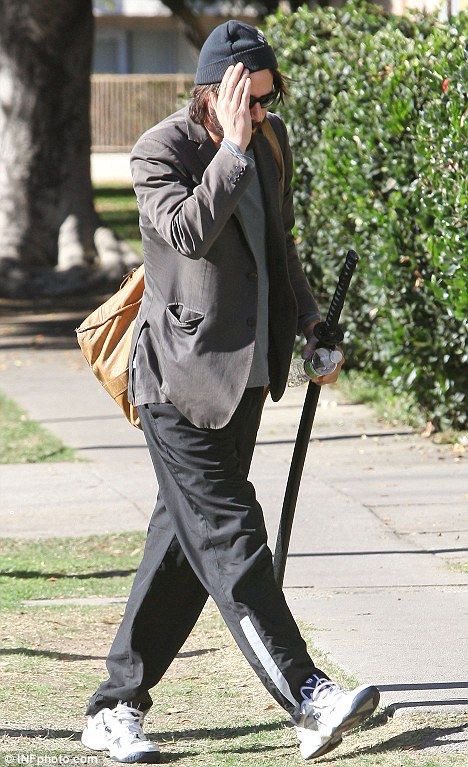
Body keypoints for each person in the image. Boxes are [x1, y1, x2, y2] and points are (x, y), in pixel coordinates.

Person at [81, 20, 379, 763]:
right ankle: (308, 693)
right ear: (215, 94)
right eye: (253, 100)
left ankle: (115, 706)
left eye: (270, 101)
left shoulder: (271, 143)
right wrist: (233, 151)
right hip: (177, 382)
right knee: (233, 538)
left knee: (185, 548)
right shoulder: (161, 151)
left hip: (246, 379)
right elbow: (187, 233)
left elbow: (280, 247)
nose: (265, 113)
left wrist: (310, 324)